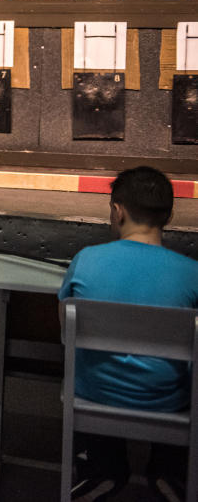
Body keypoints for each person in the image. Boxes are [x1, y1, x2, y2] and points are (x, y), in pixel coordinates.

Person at [59, 166, 198, 502]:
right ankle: (169, 470)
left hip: (94, 393)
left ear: (117, 212)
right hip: (168, 401)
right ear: (169, 215)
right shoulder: (193, 274)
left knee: (91, 370)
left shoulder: (86, 260)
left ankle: (102, 468)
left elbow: (65, 332)